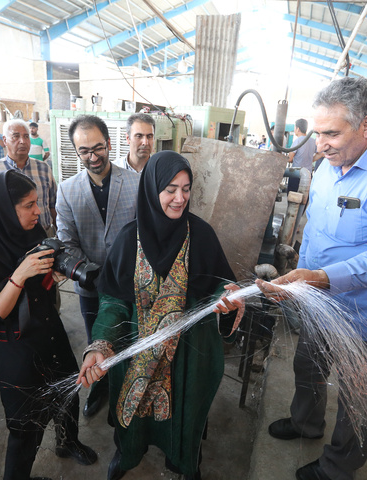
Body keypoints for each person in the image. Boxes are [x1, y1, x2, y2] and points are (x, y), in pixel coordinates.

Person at [257, 76, 367, 480]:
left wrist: (317, 277)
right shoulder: (327, 167)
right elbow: (317, 231)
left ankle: (338, 468)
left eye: (331, 133)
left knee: (360, 395)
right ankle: (306, 424)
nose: (319, 144)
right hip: (322, 301)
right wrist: (305, 276)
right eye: (318, 132)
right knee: (308, 367)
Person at [78, 151, 243, 480]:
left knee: (185, 417)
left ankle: (186, 463)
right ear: (151, 190)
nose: (180, 198)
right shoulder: (128, 241)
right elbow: (113, 303)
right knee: (133, 415)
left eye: (186, 188)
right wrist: (99, 345)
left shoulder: (202, 236)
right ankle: (126, 455)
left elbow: (219, 288)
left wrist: (228, 300)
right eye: (170, 189)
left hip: (187, 361)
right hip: (135, 357)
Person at [0, 170, 97, 480]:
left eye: (39, 203)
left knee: (69, 392)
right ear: (4, 208)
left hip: (49, 329)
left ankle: (67, 441)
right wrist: (19, 275)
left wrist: (51, 274)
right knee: (25, 427)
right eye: (28, 205)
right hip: (16, 347)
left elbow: (41, 287)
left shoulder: (30, 233)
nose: (38, 212)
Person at [56, 114, 141, 418]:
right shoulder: (67, 191)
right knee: (97, 340)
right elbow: (66, 243)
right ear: (75, 152)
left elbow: (144, 232)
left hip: (131, 283)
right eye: (84, 151)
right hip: (90, 287)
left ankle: (126, 390)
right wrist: (91, 273)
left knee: (131, 337)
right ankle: (100, 389)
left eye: (98, 148)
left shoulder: (135, 182)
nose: (92, 157)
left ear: (108, 143)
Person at [0, 119, 57, 234]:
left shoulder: (43, 168)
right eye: (16, 136)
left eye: (26, 137)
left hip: (44, 235)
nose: (22, 141)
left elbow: (53, 203)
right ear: (5, 140)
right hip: (7, 240)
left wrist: (58, 232)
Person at [285, 118, 317, 193]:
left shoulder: (298, 141)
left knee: (293, 199)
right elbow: (321, 154)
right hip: (308, 176)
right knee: (303, 199)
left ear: (297, 128)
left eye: (294, 128)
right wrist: (310, 160)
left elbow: (289, 159)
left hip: (296, 175)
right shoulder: (313, 140)